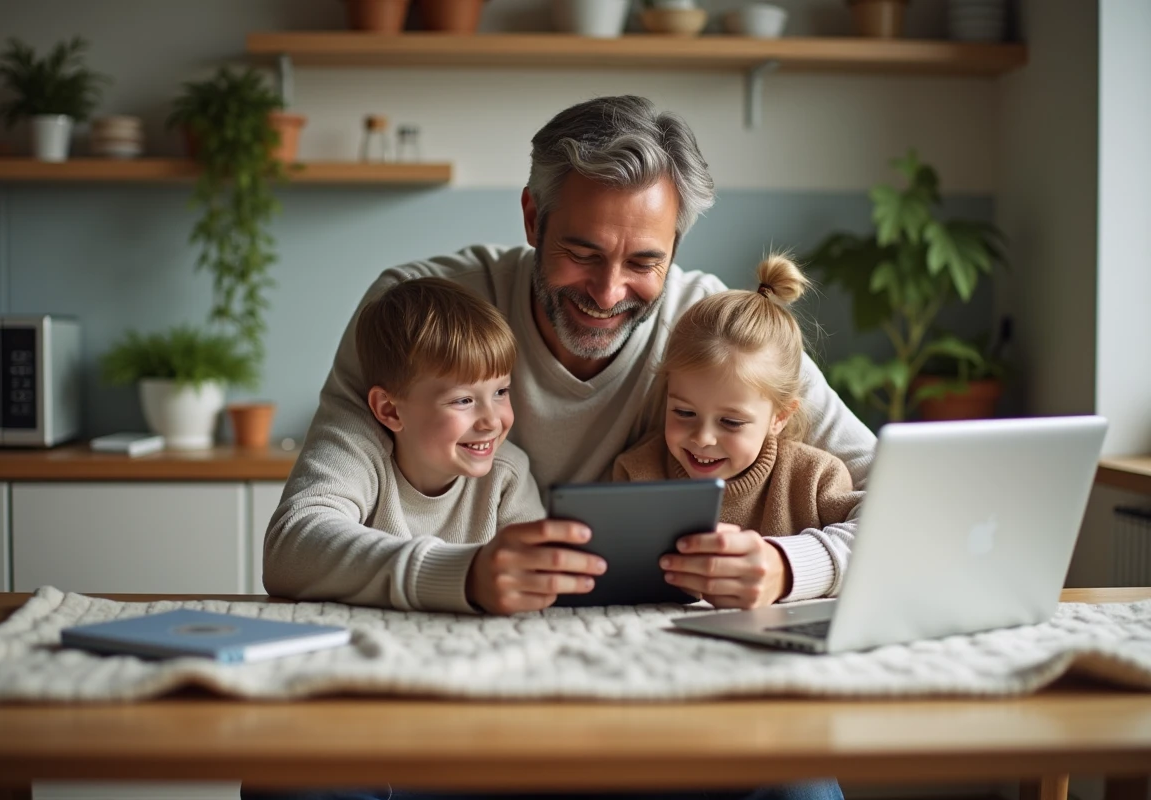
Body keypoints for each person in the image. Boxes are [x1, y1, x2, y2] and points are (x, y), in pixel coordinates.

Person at [250, 94, 872, 800]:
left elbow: (905, 500)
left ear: (676, 249)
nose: (608, 293)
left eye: (644, 261)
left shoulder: (715, 335)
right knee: (293, 776)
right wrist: (465, 575)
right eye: (582, 252)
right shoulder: (425, 313)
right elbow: (297, 540)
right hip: (447, 704)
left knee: (799, 783)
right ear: (531, 218)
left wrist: (792, 566)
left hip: (647, 710)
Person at [613, 254, 864, 607]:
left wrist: (791, 567)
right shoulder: (638, 474)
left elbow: (886, 536)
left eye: (731, 422)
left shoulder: (816, 480)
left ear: (779, 416)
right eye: (684, 412)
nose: (702, 438)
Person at [337, 275, 545, 611]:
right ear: (390, 409)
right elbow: (294, 555)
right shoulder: (366, 468)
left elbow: (536, 577)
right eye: (463, 400)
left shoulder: (509, 474)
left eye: (500, 392)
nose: (491, 421)